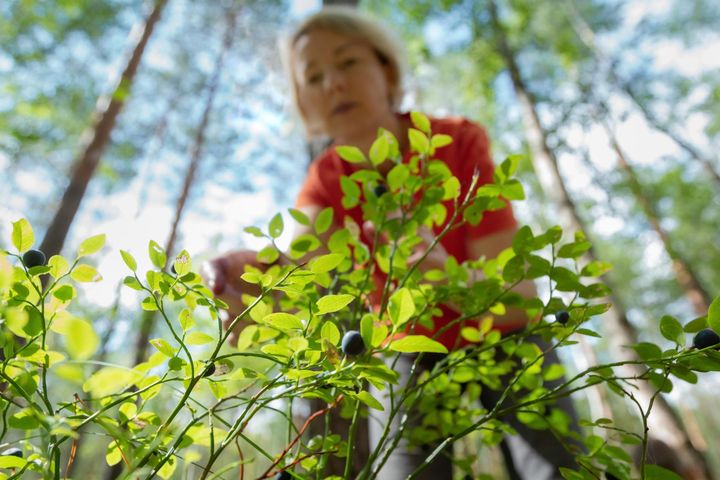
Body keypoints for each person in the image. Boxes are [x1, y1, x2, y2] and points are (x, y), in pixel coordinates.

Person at [203, 6, 581, 479]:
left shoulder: (455, 142)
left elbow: (519, 301)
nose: (333, 84)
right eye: (313, 77)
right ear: (304, 103)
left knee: (557, 467)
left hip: (498, 327)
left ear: (385, 68)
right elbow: (299, 269)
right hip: (406, 341)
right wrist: (258, 281)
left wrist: (445, 277)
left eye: (347, 63)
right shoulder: (326, 181)